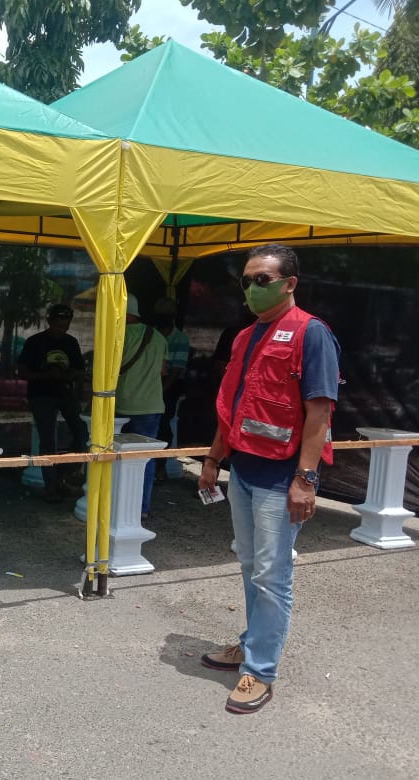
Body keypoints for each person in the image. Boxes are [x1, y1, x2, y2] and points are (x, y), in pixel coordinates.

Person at [198, 243, 340, 715]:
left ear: (289, 283)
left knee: (272, 575)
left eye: (263, 279)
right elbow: (233, 408)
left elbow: (319, 411)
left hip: (282, 478)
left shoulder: (311, 334)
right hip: (243, 471)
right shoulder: (245, 337)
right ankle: (251, 643)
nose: (252, 288)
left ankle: (259, 671)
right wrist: (215, 459)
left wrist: (306, 479)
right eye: (246, 280)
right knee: (247, 565)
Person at [17, 303, 88, 502]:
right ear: (49, 322)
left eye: (65, 325)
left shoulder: (71, 342)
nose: (61, 329)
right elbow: (22, 372)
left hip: (65, 393)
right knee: (48, 440)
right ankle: (51, 486)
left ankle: (63, 475)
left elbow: (79, 370)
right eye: (58, 325)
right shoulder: (35, 342)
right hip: (40, 395)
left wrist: (67, 376)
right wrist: (46, 375)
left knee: (83, 433)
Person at [114, 293, 167, 518]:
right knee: (145, 460)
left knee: (116, 460)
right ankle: (141, 509)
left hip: (123, 405)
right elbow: (163, 371)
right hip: (152, 406)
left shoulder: (118, 335)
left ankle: (117, 507)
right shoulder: (159, 337)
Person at [152, 297, 190, 480]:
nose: (163, 318)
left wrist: (161, 391)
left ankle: (160, 467)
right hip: (150, 385)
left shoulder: (180, 338)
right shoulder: (150, 335)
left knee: (164, 427)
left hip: (169, 387)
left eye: (166, 315)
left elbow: (176, 371)